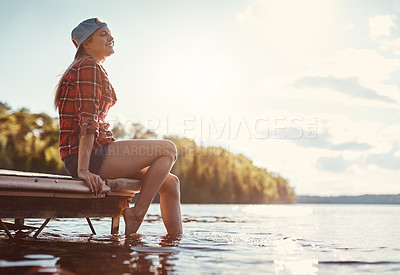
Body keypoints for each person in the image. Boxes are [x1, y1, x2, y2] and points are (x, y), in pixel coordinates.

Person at [54, 18, 182, 235]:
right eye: (103, 34)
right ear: (86, 43)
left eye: (110, 33)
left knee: (171, 183)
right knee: (168, 149)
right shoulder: (87, 66)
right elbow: (88, 122)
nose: (111, 38)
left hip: (96, 152)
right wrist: (83, 170)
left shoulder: (92, 68)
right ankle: (137, 215)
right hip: (87, 156)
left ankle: (175, 245)